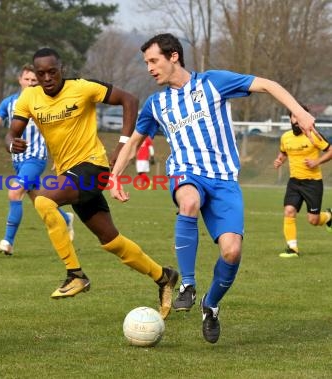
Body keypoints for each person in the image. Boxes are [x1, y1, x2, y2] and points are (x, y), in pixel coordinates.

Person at [110, 33, 317, 343]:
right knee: (189, 202)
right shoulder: (157, 104)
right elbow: (135, 141)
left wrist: (298, 111)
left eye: (154, 61)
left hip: (223, 180)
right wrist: (115, 176)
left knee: (232, 252)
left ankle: (211, 305)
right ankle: (188, 285)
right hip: (185, 172)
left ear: (174, 56)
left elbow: (268, 85)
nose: (150, 68)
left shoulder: (213, 83)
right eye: (146, 63)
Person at [7, 47, 178, 319]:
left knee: (43, 199)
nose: (47, 77)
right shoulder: (29, 97)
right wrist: (13, 142)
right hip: (70, 174)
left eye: (52, 71)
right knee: (112, 242)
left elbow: (130, 100)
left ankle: (75, 274)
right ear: (35, 75)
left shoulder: (83, 88)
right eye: (41, 74)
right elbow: (13, 131)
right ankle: (164, 276)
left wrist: (122, 146)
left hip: (93, 167)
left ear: (61, 68)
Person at [0, 64, 74, 255]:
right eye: (27, 79)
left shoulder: (47, 102)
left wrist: (60, 155)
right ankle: (66, 219)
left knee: (14, 192)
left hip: (36, 158)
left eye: (34, 80)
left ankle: (8, 242)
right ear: (20, 80)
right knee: (39, 201)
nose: (30, 83)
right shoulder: (9, 103)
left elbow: (57, 131)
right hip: (18, 161)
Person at [273, 106, 332, 258]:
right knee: (289, 211)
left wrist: (316, 161)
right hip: (294, 182)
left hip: (312, 183)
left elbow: (330, 150)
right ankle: (293, 249)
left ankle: (329, 216)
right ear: (291, 119)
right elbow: (284, 152)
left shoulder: (313, 135)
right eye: (294, 117)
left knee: (313, 220)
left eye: (300, 117)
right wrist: (280, 160)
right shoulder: (285, 137)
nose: (297, 120)